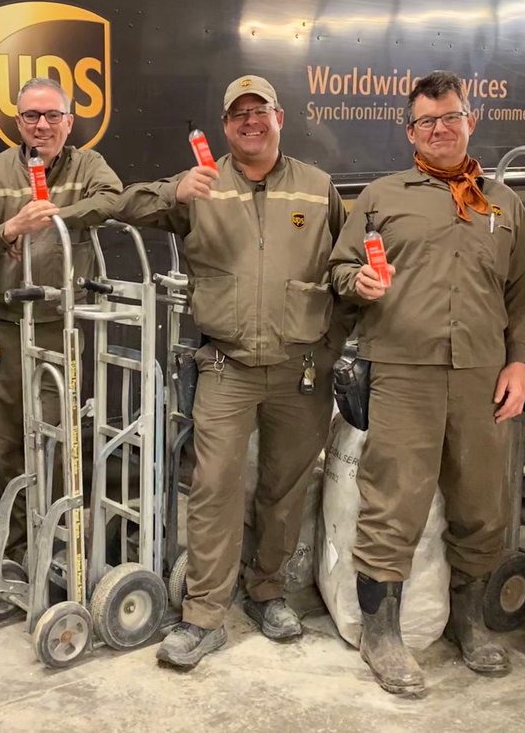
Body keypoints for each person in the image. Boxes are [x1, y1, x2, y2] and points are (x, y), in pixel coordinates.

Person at [117, 74, 346, 669]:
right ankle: (204, 616)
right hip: (226, 364)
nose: (250, 121)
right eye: (238, 113)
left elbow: (346, 268)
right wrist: (176, 195)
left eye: (260, 110)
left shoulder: (319, 188)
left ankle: (268, 590)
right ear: (224, 126)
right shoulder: (201, 182)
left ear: (280, 116)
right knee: (214, 489)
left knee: (284, 487)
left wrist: (333, 348)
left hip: (301, 369)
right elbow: (126, 204)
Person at [328, 70, 525, 697]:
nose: (440, 129)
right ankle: (381, 633)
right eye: (426, 121)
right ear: (409, 131)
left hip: (482, 375)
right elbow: (341, 267)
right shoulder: (381, 196)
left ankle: (469, 621)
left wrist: (519, 362)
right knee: (393, 503)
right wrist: (354, 282)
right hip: (402, 370)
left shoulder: (505, 205)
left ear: (470, 120)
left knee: (482, 504)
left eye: (451, 117)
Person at [0, 77, 122, 558]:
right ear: (18, 122)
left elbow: (113, 200)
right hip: (3, 327)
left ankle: (59, 541)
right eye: (32, 116)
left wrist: (54, 216)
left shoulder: (88, 164)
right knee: (8, 441)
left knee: (58, 435)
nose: (42, 125)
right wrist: (11, 226)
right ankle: (19, 548)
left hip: (58, 325)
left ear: (70, 122)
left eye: (53, 116)